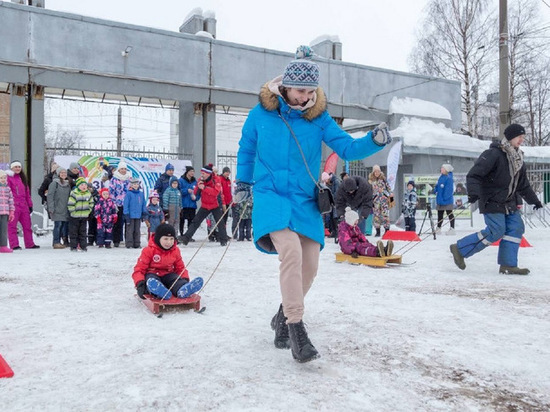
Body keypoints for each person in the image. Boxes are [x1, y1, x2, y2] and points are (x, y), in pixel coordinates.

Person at [235, 45, 391, 363]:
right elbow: (247, 149)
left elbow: (346, 148)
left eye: (310, 92)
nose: (305, 97)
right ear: (286, 86)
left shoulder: (318, 118)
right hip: (270, 194)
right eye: (300, 91)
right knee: (290, 251)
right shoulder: (260, 114)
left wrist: (373, 141)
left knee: (311, 263)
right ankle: (296, 329)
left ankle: (281, 315)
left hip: (304, 199)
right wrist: (242, 183)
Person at [450, 124, 543, 275]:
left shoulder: (518, 159)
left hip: (509, 202)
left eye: (523, 137)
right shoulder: (493, 154)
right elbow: (474, 175)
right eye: (519, 136)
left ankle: (508, 264)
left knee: (516, 228)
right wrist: (473, 193)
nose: (522, 140)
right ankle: (460, 249)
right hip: (492, 201)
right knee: (496, 231)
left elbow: (523, 185)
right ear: (510, 137)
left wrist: (534, 201)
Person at [132, 223, 204, 300]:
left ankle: (183, 289)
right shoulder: (149, 251)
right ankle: (157, 290)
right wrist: (140, 284)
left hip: (168, 274)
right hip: (153, 274)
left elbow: (180, 268)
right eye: (165, 239)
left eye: (171, 239)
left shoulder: (175, 251)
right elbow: (139, 269)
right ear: (158, 239)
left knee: (175, 279)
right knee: (151, 280)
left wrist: (184, 279)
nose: (169, 242)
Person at [179, 164, 229, 247]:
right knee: (195, 222)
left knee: (220, 222)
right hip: (205, 205)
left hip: (215, 205)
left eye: (203, 173)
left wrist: (204, 188)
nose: (202, 175)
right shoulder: (200, 180)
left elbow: (216, 192)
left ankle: (223, 240)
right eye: (201, 173)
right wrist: (195, 193)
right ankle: (186, 238)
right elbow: (196, 190)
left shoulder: (216, 179)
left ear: (208, 173)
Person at [7, 160, 39, 250]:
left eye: (19, 167)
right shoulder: (8, 178)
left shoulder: (22, 178)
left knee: (27, 225)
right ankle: (14, 244)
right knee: (12, 226)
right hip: (13, 206)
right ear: (12, 168)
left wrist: (30, 205)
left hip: (23, 205)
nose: (17, 168)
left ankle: (29, 243)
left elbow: (27, 193)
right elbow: (7, 192)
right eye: (15, 167)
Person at [67, 177, 94, 252]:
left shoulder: (88, 194)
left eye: (85, 185)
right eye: (82, 185)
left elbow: (91, 203)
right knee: (74, 232)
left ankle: (83, 246)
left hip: (84, 216)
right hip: (75, 216)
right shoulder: (74, 193)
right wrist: (72, 212)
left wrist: (88, 211)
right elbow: (70, 204)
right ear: (78, 186)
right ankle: (73, 246)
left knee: (83, 232)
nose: (84, 186)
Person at [47, 167, 71, 249]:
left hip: (65, 209)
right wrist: (51, 208)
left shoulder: (68, 184)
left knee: (64, 226)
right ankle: (56, 242)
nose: (63, 174)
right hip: (57, 209)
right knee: (58, 226)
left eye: (65, 173)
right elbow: (50, 196)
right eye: (62, 173)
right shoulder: (54, 184)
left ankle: (63, 241)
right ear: (58, 174)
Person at [109, 161, 132, 247]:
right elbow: (111, 191)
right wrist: (113, 203)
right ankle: (116, 240)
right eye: (122, 169)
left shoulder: (129, 178)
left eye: (125, 169)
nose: (123, 170)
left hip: (128, 204)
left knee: (128, 223)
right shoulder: (114, 179)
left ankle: (128, 241)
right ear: (118, 169)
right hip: (118, 204)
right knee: (117, 223)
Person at [369, 165, 393, 237]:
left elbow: (389, 190)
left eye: (378, 171)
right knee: (376, 216)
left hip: (384, 200)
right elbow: (369, 191)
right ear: (373, 172)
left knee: (385, 215)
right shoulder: (371, 181)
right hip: (375, 201)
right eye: (375, 171)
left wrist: (391, 200)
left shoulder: (383, 180)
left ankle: (387, 231)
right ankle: (378, 231)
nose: (377, 173)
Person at [123, 177, 147, 249]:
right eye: (134, 184)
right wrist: (126, 214)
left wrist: (143, 213)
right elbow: (126, 204)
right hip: (130, 215)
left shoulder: (141, 194)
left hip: (138, 215)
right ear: (131, 185)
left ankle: (137, 243)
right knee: (130, 230)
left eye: (137, 184)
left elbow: (143, 204)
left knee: (137, 230)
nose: (135, 186)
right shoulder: (129, 194)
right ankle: (129, 243)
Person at [433, 163, 455, 235]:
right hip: (440, 200)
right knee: (440, 215)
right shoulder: (441, 177)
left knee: (450, 214)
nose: (441, 169)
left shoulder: (449, 178)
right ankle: (438, 228)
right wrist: (435, 189)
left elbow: (448, 190)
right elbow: (438, 186)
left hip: (447, 200)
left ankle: (452, 229)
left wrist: (444, 198)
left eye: (443, 168)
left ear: (446, 170)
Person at [178, 166, 198, 239]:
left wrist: (196, 198)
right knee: (182, 220)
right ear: (187, 172)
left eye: (193, 171)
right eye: (191, 171)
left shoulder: (195, 182)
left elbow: (198, 192)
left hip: (192, 205)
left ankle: (189, 235)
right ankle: (181, 234)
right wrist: (186, 191)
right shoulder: (181, 180)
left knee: (191, 221)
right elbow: (178, 191)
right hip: (184, 204)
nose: (192, 173)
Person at [0, 169, 15, 253]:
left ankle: (3, 246)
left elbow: (11, 201)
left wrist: (11, 212)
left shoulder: (8, 189)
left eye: (4, 178)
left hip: (5, 213)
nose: (3, 180)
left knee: (3, 230)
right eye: (1, 178)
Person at [219, 166, 233, 237]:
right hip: (222, 202)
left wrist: (231, 200)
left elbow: (229, 191)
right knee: (221, 219)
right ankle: (221, 233)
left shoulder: (228, 180)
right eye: (226, 172)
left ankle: (224, 233)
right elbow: (221, 192)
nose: (228, 173)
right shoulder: (220, 179)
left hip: (227, 202)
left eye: (229, 172)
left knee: (225, 219)